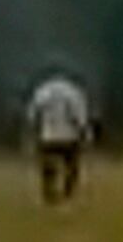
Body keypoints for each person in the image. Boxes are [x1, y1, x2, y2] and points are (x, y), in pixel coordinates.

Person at [24, 64, 97, 203]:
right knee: (72, 166)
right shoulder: (73, 91)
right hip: (69, 136)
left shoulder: (42, 91)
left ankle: (49, 193)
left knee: (48, 166)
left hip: (48, 136)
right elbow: (80, 116)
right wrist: (85, 134)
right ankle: (68, 193)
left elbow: (33, 116)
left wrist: (34, 134)